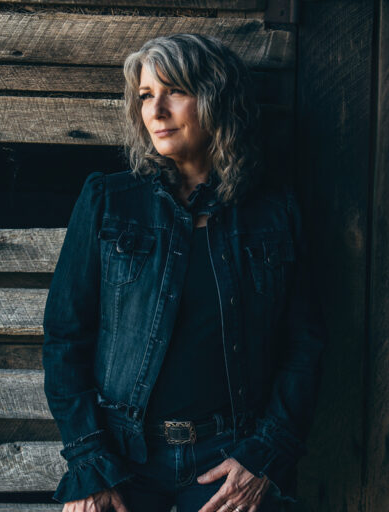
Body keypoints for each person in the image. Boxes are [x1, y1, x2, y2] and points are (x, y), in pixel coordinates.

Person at [42, 33, 326, 512]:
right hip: (121, 456)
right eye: (146, 95)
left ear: (216, 100)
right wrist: (89, 464)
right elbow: (65, 337)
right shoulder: (108, 201)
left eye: (174, 91)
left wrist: (262, 457)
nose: (155, 110)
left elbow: (304, 345)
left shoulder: (274, 213)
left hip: (228, 455)